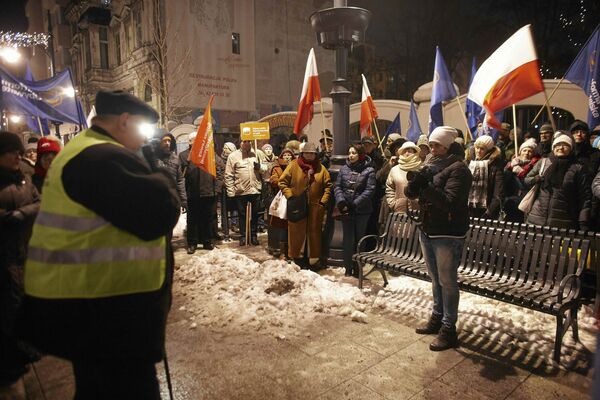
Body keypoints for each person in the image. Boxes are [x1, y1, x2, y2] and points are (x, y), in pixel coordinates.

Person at [19, 90, 180, 399]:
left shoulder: (84, 151)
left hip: (93, 308)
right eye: (143, 129)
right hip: (106, 315)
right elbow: (162, 210)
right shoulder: (101, 158)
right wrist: (153, 166)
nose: (145, 138)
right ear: (124, 121)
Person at [405, 126, 472, 351]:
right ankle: (437, 316)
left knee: (447, 281)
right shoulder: (430, 165)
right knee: (435, 279)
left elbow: (450, 202)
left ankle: (449, 328)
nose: (432, 148)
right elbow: (412, 194)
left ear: (448, 145)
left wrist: (426, 186)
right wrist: (414, 186)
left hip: (448, 231)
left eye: (436, 145)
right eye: (431, 145)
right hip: (429, 228)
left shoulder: (459, 169)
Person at [0, 132, 40, 386]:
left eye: (18, 151)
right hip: (4, 255)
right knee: (9, 305)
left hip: (26, 250)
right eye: (11, 152)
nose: (18, 155)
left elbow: (39, 203)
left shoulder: (25, 179)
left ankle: (26, 349)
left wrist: (20, 214)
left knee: (26, 300)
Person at [278, 142, 331, 269]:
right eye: (307, 153)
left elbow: (328, 186)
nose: (309, 155)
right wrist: (290, 196)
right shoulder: (293, 165)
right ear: (302, 153)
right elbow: (282, 182)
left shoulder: (321, 168)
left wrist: (323, 202)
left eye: (312, 153)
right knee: (296, 232)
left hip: (315, 207)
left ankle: (312, 259)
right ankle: (297, 258)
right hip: (297, 206)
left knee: (313, 233)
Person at [525, 133, 591, 231]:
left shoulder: (578, 168)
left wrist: (583, 221)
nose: (560, 147)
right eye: (557, 145)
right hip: (536, 219)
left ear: (571, 148)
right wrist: (536, 179)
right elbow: (527, 179)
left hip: (563, 222)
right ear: (553, 148)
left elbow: (585, 197)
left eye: (565, 145)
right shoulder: (544, 163)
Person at [334, 144, 376, 277]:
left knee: (359, 239)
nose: (351, 155)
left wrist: (354, 204)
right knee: (348, 239)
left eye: (354, 153)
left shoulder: (369, 170)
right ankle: (348, 267)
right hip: (346, 209)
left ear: (360, 154)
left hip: (362, 211)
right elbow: (337, 186)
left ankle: (358, 268)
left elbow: (369, 190)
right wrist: (341, 201)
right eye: (349, 152)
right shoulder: (343, 169)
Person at [180, 132, 223, 253]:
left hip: (209, 191)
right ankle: (192, 243)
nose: (195, 142)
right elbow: (181, 175)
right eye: (192, 140)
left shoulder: (209, 154)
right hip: (192, 193)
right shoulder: (184, 156)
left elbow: (220, 170)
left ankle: (207, 241)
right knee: (192, 219)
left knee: (207, 219)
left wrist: (217, 188)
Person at [224, 139, 263, 246]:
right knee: (242, 214)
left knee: (255, 214)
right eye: (244, 141)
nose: (247, 143)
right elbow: (229, 175)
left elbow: (266, 169)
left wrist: (260, 168)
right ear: (240, 143)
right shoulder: (233, 156)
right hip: (241, 191)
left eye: (249, 141)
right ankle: (243, 236)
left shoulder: (257, 153)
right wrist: (231, 192)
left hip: (255, 189)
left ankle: (254, 235)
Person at [467, 135, 504, 219]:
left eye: (482, 149)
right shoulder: (469, 163)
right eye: (477, 148)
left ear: (488, 151)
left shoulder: (495, 167)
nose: (478, 151)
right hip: (468, 210)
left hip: (486, 211)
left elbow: (498, 193)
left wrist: (489, 212)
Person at [503, 138, 540, 222]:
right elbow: (504, 182)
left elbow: (529, 184)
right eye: (524, 150)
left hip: (525, 201)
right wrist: (509, 169)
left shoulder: (535, 165)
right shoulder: (512, 164)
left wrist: (521, 173)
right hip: (510, 201)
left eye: (529, 151)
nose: (526, 153)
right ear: (520, 152)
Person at [268, 148, 295, 258]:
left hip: (294, 199)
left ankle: (292, 251)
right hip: (282, 200)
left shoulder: (295, 166)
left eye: (289, 154)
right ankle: (282, 252)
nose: (287, 157)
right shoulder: (277, 167)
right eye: (285, 155)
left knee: (293, 226)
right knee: (282, 226)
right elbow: (274, 180)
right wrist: (284, 182)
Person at [385, 141, 422, 214]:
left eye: (409, 151)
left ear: (415, 152)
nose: (407, 153)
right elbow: (389, 188)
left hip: (418, 211)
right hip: (399, 211)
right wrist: (393, 204)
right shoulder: (394, 170)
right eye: (404, 151)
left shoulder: (421, 169)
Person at [157, 131, 187, 213]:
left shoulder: (175, 159)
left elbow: (180, 180)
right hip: (156, 198)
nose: (167, 143)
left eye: (169, 141)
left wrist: (183, 200)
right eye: (164, 141)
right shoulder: (153, 159)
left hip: (172, 198)